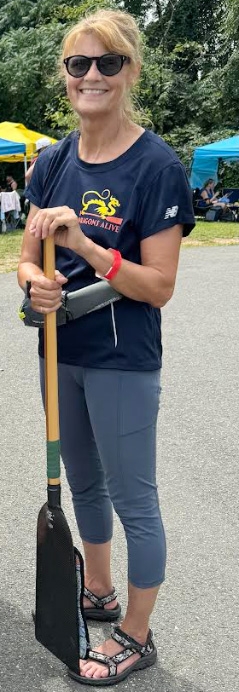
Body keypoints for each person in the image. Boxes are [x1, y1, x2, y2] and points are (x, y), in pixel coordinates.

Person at [18, 8, 195, 686]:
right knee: (82, 487)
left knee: (133, 499)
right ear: (64, 78)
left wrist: (89, 247)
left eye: (107, 63)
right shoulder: (53, 160)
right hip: (60, 352)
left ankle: (135, 634)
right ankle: (97, 591)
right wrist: (37, 285)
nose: (91, 76)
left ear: (129, 73)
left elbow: (159, 286)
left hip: (122, 362)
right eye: (78, 65)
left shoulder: (155, 166)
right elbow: (26, 260)